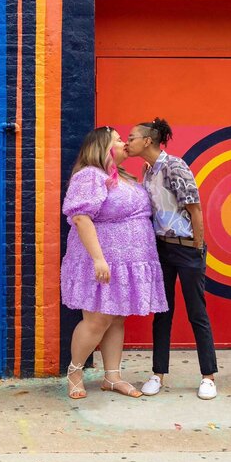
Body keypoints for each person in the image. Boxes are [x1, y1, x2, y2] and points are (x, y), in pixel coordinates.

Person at [61, 126, 167, 400]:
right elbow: (81, 217)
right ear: (103, 147)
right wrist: (99, 258)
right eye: (119, 140)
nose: (124, 143)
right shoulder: (90, 176)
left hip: (127, 261)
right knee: (97, 319)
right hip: (103, 259)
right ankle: (75, 372)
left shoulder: (123, 176)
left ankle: (112, 377)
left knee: (117, 317)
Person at [125, 118, 218, 400]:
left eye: (132, 138)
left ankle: (208, 376)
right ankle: (158, 373)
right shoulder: (147, 169)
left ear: (148, 141)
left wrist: (197, 247)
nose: (128, 142)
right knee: (162, 313)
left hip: (186, 247)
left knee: (196, 312)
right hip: (161, 249)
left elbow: (195, 209)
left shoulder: (174, 166)